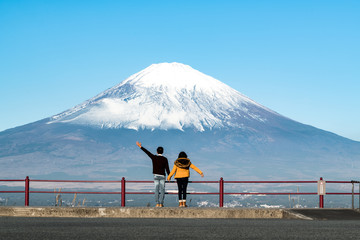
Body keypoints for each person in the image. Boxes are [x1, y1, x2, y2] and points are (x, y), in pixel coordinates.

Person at [136, 141, 170, 207]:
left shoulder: (154, 157)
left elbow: (147, 152)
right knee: (162, 189)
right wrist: (169, 176)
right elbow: (167, 168)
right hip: (163, 175)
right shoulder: (165, 159)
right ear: (162, 152)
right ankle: (161, 203)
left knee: (156, 189)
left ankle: (157, 203)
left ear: (157, 152)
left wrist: (140, 147)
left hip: (156, 176)